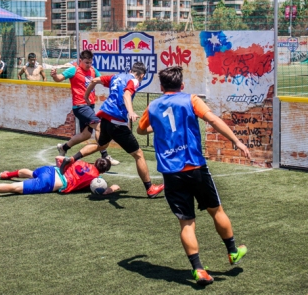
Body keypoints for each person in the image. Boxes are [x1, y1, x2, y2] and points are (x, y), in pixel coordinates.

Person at [136, 66, 250, 286]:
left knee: (186, 224)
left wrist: (158, 128)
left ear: (161, 87)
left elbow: (141, 131)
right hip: (195, 167)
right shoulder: (191, 99)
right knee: (216, 210)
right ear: (182, 85)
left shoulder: (152, 106)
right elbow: (213, 120)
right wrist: (236, 141)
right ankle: (233, 251)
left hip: (171, 173)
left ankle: (199, 270)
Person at [61, 62, 164, 199]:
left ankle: (72, 158)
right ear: (142, 75)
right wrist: (131, 112)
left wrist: (86, 97)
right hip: (117, 122)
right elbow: (127, 95)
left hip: (105, 119)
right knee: (138, 154)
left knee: (101, 145)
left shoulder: (116, 77)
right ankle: (150, 188)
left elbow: (95, 80)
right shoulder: (134, 80)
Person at [50, 49, 118, 166]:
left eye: (91, 62)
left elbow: (102, 80)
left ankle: (64, 148)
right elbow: (59, 78)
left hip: (89, 106)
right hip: (80, 106)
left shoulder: (92, 70)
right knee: (99, 126)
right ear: (80, 61)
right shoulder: (73, 70)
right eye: (86, 62)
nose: (89, 65)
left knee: (85, 135)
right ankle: (105, 155)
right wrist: (55, 75)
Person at [0, 157, 118, 198]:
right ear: (102, 173)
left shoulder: (82, 162)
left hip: (51, 170)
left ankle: (8, 174)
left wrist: (62, 167)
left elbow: (61, 160)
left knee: (32, 173)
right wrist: (113, 188)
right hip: (51, 182)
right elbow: (100, 191)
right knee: (16, 188)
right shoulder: (95, 178)